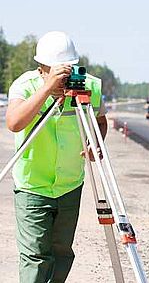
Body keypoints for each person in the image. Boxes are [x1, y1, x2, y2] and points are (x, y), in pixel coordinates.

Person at [6, 31, 107, 283]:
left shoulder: (89, 86)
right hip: (33, 185)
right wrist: (47, 89)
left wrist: (96, 142)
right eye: (57, 71)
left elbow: (101, 120)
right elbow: (14, 122)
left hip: (70, 183)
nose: (65, 77)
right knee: (35, 256)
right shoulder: (25, 85)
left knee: (62, 253)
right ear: (42, 68)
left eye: (68, 70)